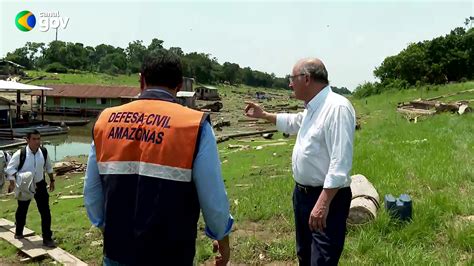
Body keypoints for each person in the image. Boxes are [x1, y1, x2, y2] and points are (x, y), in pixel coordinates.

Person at [84, 49, 233, 266]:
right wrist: (222, 237)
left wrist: (107, 228)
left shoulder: (106, 121)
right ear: (180, 85)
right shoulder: (193, 125)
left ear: (141, 80)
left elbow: (92, 193)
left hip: (117, 251)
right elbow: (213, 197)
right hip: (170, 254)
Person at [244, 58, 355, 265]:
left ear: (306, 79)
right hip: (303, 196)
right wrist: (264, 115)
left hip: (326, 198)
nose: (289, 84)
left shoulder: (337, 108)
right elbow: (294, 122)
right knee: (304, 254)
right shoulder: (313, 109)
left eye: (292, 78)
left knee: (322, 259)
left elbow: (340, 163)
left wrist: (322, 203)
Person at [6, 130, 56, 247]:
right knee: (22, 210)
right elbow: (10, 169)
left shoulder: (43, 152)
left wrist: (52, 180)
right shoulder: (20, 154)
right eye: (34, 139)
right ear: (27, 140)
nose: (37, 141)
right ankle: (18, 232)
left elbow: (48, 167)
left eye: (39, 139)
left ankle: (47, 238)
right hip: (25, 186)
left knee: (45, 212)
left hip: (40, 184)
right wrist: (14, 182)